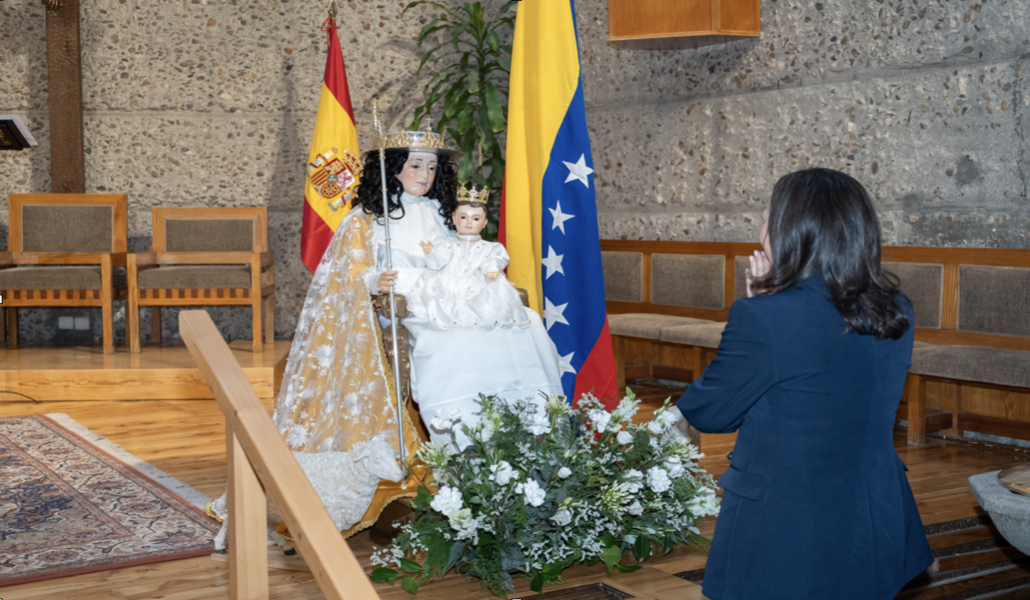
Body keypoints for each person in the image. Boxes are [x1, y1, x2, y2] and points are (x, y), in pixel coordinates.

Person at [273, 119, 560, 534]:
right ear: (392, 170)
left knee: (524, 320)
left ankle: (522, 430)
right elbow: (344, 276)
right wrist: (374, 280)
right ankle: (459, 445)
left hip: (447, 298)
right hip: (404, 307)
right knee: (454, 344)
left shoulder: (445, 215)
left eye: (430, 167)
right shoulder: (367, 220)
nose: (423, 176)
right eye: (414, 166)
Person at [676, 168, 933, 600]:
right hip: (872, 510)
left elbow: (710, 413)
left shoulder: (765, 317)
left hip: (786, 522)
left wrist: (762, 307)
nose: (760, 234)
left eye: (766, 220)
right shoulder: (895, 307)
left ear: (793, 231)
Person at [406, 184, 531, 332]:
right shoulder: (445, 242)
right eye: (463, 217)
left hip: (479, 281)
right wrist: (433, 252)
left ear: (484, 223)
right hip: (448, 282)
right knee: (441, 297)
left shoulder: (491, 247)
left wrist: (491, 269)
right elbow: (436, 264)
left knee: (487, 300)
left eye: (476, 218)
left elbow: (495, 259)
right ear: (454, 218)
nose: (469, 222)